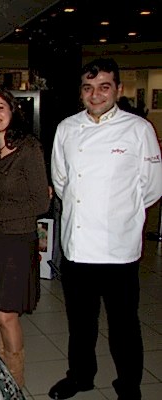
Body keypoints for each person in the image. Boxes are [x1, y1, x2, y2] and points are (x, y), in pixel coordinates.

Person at [49, 58, 162, 400]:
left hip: (119, 249)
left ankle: (129, 385)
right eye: (88, 88)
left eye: (104, 87)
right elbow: (61, 181)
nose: (95, 95)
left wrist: (119, 214)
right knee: (80, 323)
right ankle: (80, 376)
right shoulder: (67, 128)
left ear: (118, 89)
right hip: (78, 246)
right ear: (80, 92)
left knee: (124, 325)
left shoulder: (139, 129)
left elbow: (152, 188)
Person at [0, 86, 50, 388]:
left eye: (0, 108)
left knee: (7, 315)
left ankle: (15, 383)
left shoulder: (28, 148)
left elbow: (41, 203)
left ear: (12, 111)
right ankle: (2, 378)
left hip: (18, 241)